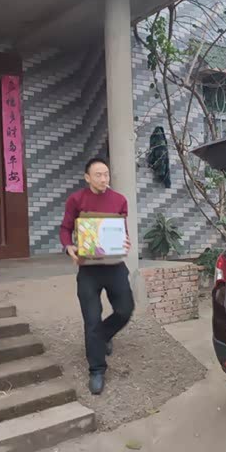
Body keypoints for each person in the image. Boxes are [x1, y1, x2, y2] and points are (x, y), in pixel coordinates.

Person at [60, 158, 134, 395]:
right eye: (98, 175)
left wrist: (125, 242)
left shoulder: (119, 200)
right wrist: (68, 247)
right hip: (89, 269)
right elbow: (65, 228)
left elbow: (122, 231)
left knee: (125, 310)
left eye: (106, 174)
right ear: (87, 177)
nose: (104, 179)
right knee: (92, 319)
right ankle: (97, 370)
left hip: (114, 266)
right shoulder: (76, 200)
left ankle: (103, 335)